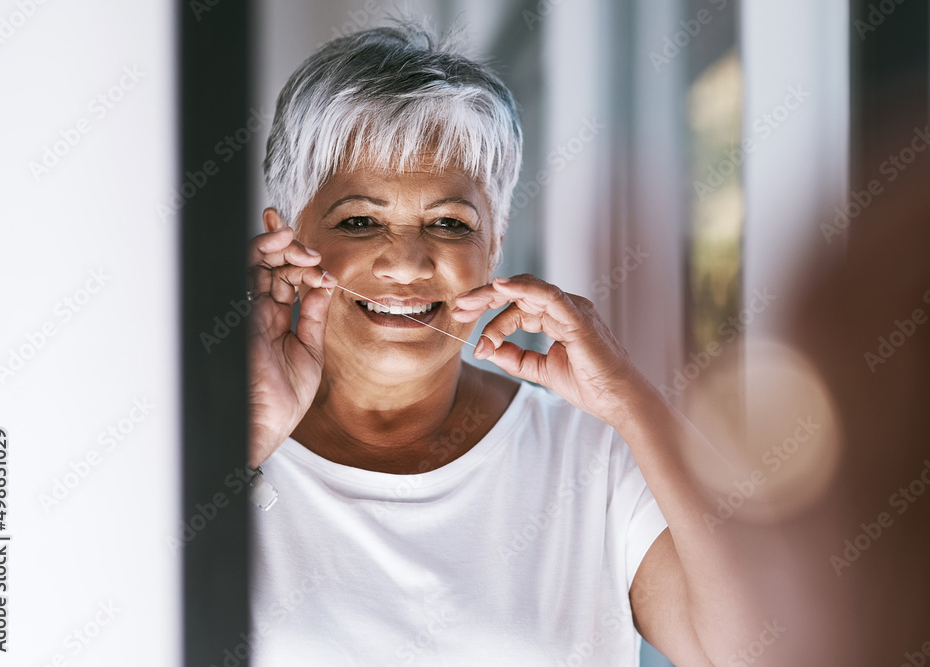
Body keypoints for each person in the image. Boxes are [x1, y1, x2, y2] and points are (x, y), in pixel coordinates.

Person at [247, 22, 740, 666]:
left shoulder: (592, 457)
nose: (407, 262)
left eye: (449, 223)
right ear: (288, 236)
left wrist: (629, 400)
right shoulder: (205, 461)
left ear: (496, 242)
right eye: (360, 221)